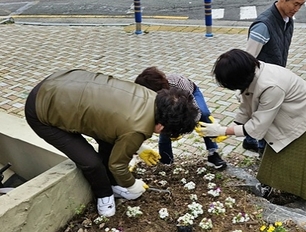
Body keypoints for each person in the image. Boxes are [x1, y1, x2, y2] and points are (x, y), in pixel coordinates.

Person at [25, 69, 199, 217]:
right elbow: (118, 164)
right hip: (41, 109)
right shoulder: (137, 129)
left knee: (109, 141)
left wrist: (136, 147)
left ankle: (114, 184)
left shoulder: (151, 97)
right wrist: (132, 184)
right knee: (91, 162)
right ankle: (104, 196)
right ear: (161, 126)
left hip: (63, 82)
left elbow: (121, 127)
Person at [197, 49, 306, 201]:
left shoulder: (270, 86)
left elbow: (257, 127)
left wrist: (224, 130)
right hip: (293, 113)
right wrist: (233, 126)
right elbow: (246, 105)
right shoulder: (252, 72)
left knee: (302, 160)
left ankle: (303, 192)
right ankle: (281, 188)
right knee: (278, 155)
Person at [243, 0, 306, 156]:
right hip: (262, 85)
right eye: (295, 4)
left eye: (301, 5)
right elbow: (248, 60)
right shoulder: (263, 26)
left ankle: (250, 141)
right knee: (266, 121)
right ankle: (263, 154)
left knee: (264, 118)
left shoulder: (288, 21)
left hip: (275, 80)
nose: (297, 9)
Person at [135, 67, 227, 169]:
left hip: (191, 94)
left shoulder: (178, 83)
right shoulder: (146, 95)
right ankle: (166, 161)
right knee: (165, 126)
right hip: (170, 101)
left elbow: (194, 110)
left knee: (204, 115)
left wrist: (184, 127)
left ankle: (213, 153)